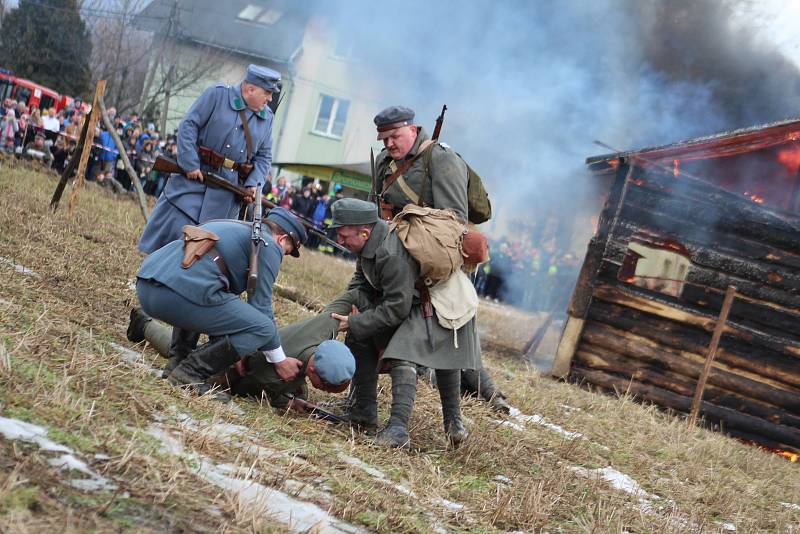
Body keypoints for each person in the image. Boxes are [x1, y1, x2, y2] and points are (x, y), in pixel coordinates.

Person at [328, 198, 480, 449]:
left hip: (445, 300)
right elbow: (360, 282)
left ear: (364, 232)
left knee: (406, 354)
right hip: (418, 298)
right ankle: (362, 413)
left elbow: (396, 309)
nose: (340, 241)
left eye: (344, 235)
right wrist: (351, 309)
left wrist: (358, 322)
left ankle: (402, 429)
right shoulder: (369, 246)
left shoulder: (390, 252)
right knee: (360, 336)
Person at [134, 207, 307, 393]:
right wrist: (279, 360)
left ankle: (177, 361)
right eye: (287, 251)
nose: (283, 256)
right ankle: (189, 372)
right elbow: (261, 307)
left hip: (148, 285)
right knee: (264, 328)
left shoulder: (228, 225)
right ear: (282, 239)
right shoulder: (269, 245)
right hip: (176, 295)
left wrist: (236, 346)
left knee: (205, 289)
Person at [127, 291, 361, 408]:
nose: (326, 392)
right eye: (326, 387)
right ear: (312, 370)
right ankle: (144, 322)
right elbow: (255, 386)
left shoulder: (324, 332)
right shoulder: (279, 369)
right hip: (232, 360)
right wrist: (283, 400)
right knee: (180, 353)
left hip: (252, 347)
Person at [137, 64, 280, 254]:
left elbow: (264, 157)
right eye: (267, 92)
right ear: (250, 88)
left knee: (205, 250)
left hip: (227, 194)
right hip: (194, 181)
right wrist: (189, 163)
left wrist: (253, 184)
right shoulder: (217, 95)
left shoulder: (267, 118)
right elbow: (189, 126)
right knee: (168, 242)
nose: (270, 99)